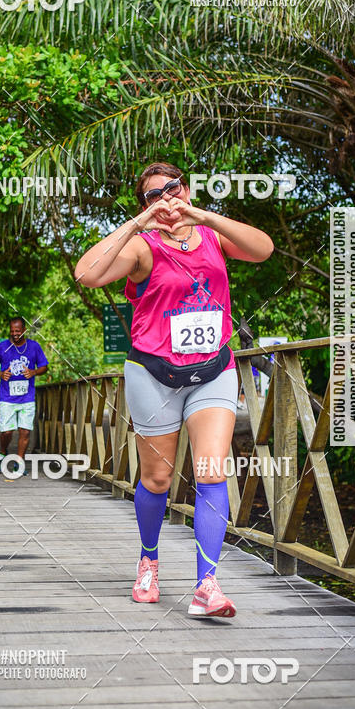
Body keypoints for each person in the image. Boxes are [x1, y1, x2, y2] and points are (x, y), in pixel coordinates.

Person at [74, 162, 273, 617]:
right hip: (154, 374)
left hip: (213, 371)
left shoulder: (212, 236)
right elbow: (87, 274)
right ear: (144, 205)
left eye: (173, 188)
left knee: (209, 471)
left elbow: (263, 249)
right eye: (153, 195)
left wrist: (204, 216)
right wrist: (137, 225)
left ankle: (207, 584)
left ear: (187, 189)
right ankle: (148, 559)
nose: (166, 198)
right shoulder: (142, 249)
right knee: (157, 479)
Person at [0, 317, 49, 475]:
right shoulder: (3, 347)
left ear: (24, 330)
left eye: (18, 331)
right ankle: (3, 452)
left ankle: (19, 462)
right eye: (12, 331)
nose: (15, 334)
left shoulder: (34, 347)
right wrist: (1, 374)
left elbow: (44, 366)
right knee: (6, 432)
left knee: (25, 431)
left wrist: (34, 371)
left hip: (27, 397)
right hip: (7, 397)